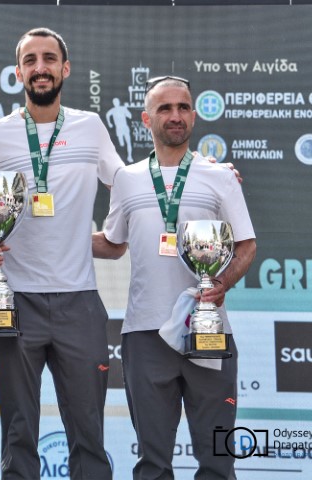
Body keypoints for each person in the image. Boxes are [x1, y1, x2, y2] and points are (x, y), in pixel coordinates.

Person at [0, 28, 123, 480]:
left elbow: (128, 183)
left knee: (89, 433)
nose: (41, 68)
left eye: (49, 59)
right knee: (19, 432)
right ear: (18, 73)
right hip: (14, 301)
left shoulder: (90, 127)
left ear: (65, 68)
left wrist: (202, 173)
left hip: (80, 301)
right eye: (31, 60)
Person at [92, 75, 257, 480]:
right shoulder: (127, 179)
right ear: (146, 119)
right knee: (153, 463)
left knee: (218, 461)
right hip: (144, 334)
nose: (175, 116)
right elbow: (113, 244)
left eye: (183, 107)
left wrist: (222, 284)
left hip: (209, 331)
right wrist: (57, 237)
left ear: (194, 116)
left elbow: (246, 246)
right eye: (164, 108)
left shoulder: (220, 176)